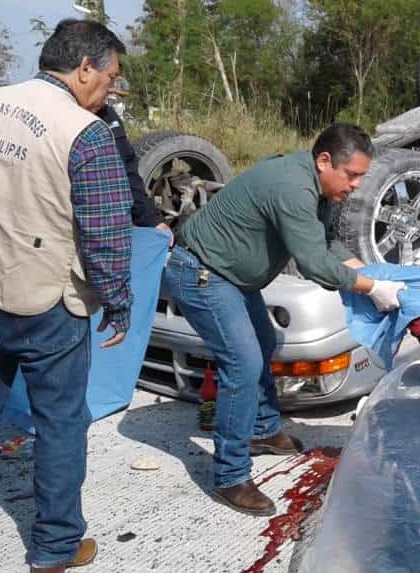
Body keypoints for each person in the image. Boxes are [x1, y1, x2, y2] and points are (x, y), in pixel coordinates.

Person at [0, 19, 134, 573]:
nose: (109, 90)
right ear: (84, 67)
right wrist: (117, 301)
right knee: (61, 424)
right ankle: (54, 549)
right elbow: (106, 232)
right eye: (110, 77)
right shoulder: (85, 132)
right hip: (45, 302)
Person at [163, 123, 407, 516]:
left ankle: (261, 430)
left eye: (362, 176)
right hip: (202, 272)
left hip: (232, 276)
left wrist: (367, 272)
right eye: (352, 175)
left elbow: (325, 242)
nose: (357, 185)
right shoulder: (293, 187)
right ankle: (230, 476)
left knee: (262, 345)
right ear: (324, 161)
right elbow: (314, 265)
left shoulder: (320, 188)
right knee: (242, 363)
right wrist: (371, 288)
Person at [98, 76, 173, 239]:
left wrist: (150, 219)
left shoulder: (109, 116)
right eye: (109, 77)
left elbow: (128, 170)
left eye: (118, 97)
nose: (112, 94)